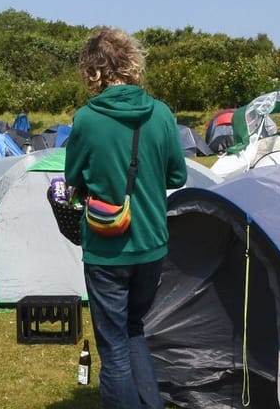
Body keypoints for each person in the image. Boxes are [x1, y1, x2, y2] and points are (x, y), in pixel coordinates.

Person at [64, 27, 187, 408]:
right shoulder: (162, 114)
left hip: (106, 248)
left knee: (114, 344)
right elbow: (177, 176)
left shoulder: (86, 119)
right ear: (132, 63)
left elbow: (72, 179)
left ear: (93, 70)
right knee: (134, 329)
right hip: (151, 244)